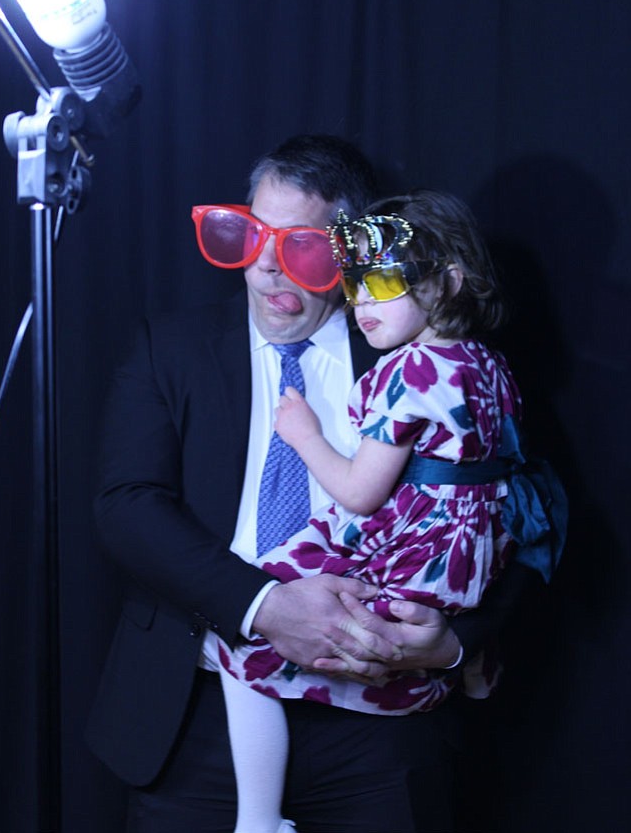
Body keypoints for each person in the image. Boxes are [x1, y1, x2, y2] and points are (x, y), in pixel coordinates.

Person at [86, 135, 540, 833]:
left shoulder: (420, 354)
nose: (267, 266)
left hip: (382, 714)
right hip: (198, 710)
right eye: (248, 234)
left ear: (351, 253)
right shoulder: (168, 347)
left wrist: (453, 643)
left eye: (301, 245)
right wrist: (264, 604)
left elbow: (519, 506)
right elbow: (127, 507)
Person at [214, 191, 535, 833]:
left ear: (448, 281)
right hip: (470, 558)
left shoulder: (407, 371)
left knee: (238, 631)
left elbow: (359, 493)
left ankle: (257, 821)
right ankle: (470, 665)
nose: (362, 303)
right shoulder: (488, 365)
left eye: (384, 281)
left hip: (410, 549)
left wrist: (303, 434)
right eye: (355, 284)